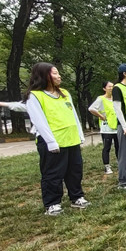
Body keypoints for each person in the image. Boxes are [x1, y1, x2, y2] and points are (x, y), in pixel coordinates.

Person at [24, 62, 89, 215]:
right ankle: (52, 203)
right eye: (54, 73)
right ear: (43, 76)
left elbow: (73, 115)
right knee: (53, 173)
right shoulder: (34, 96)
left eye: (58, 73)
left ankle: (76, 197)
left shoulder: (65, 93)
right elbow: (39, 121)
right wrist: (51, 141)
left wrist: (79, 134)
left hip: (71, 139)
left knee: (75, 170)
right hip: (52, 142)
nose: (59, 76)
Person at [88, 81, 119, 174]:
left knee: (119, 146)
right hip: (106, 128)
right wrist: (100, 116)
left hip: (117, 126)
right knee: (107, 147)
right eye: (109, 86)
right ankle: (107, 166)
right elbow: (91, 109)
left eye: (113, 86)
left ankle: (119, 162)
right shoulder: (101, 99)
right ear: (104, 88)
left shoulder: (115, 99)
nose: (111, 88)